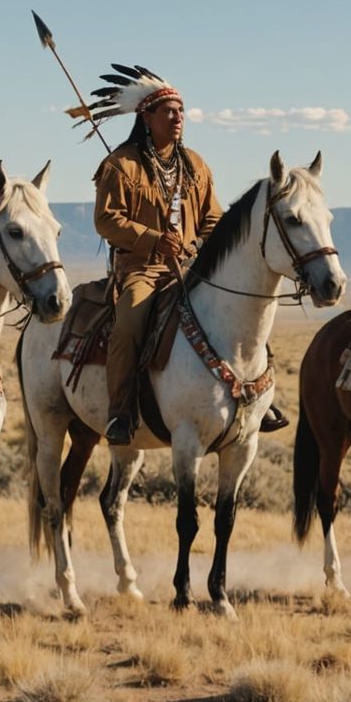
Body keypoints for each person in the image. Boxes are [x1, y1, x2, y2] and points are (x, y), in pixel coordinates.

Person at [78, 66, 222, 444]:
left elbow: (214, 218)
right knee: (128, 324)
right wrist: (154, 239)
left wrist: (194, 247)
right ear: (146, 116)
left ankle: (254, 394)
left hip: (190, 267)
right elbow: (106, 220)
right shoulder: (120, 165)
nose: (177, 118)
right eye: (168, 111)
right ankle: (120, 413)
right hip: (141, 269)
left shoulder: (196, 165)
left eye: (181, 111)